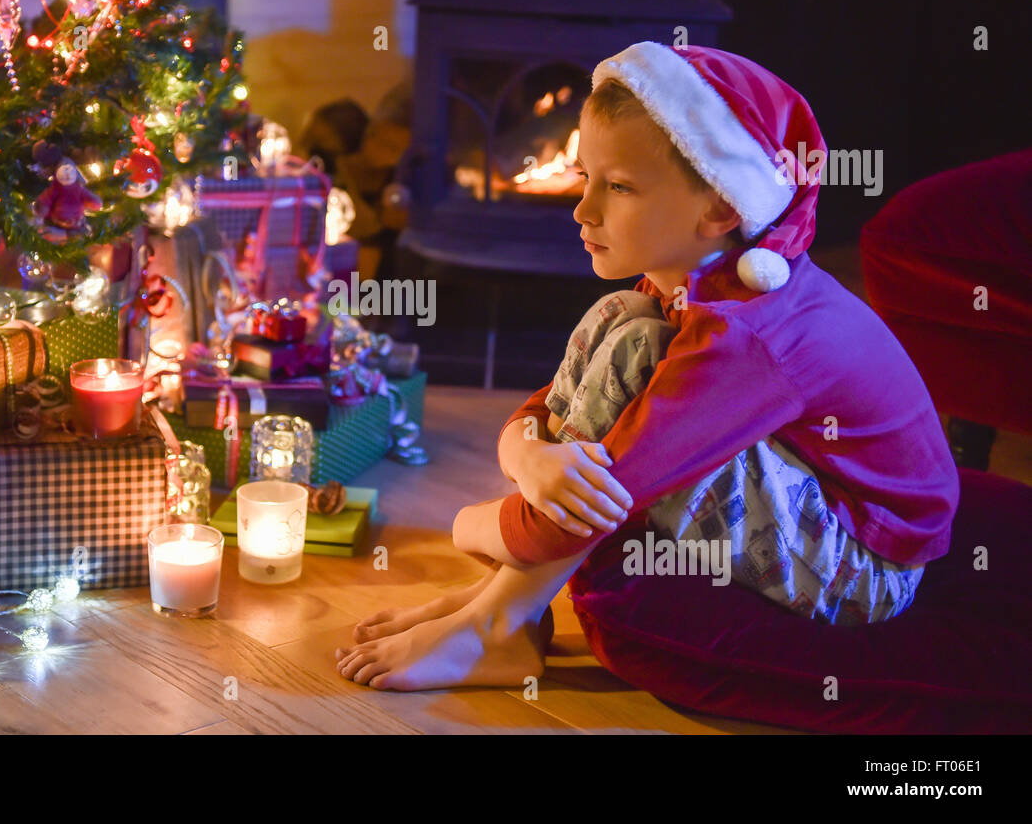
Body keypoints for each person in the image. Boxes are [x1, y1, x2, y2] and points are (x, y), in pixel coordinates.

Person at [335, 42, 959, 691]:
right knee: (621, 319)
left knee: (635, 356)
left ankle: (495, 626)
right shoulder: (693, 276)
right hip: (813, 497)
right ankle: (500, 606)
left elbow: (603, 492)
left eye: (620, 187)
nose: (583, 210)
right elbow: (549, 404)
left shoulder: (743, 335)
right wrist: (524, 456)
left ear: (720, 207)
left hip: (863, 566)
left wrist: (475, 523)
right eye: (585, 178)